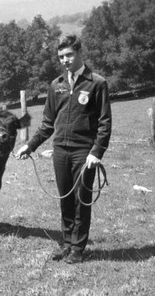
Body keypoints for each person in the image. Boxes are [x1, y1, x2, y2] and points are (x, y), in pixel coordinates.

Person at [16, 34, 112, 264]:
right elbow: (48, 124)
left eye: (69, 54)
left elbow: (105, 122)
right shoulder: (56, 85)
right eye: (61, 56)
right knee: (65, 200)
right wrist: (30, 145)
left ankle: (78, 249)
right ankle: (67, 244)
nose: (65, 60)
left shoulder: (96, 83)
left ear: (79, 53)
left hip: (83, 152)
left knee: (81, 199)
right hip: (60, 151)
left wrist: (96, 152)